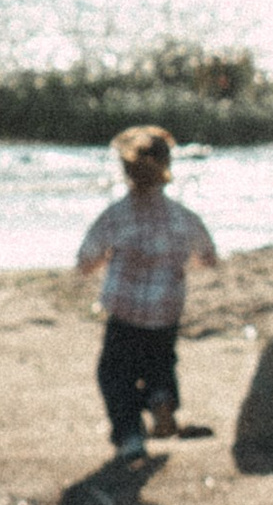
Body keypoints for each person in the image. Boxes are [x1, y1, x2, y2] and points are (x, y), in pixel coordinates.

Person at [75, 124, 217, 458]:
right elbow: (208, 257)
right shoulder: (182, 217)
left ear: (126, 171)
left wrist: (103, 261)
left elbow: (85, 260)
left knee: (114, 373)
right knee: (160, 363)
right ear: (167, 169)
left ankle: (129, 437)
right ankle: (160, 400)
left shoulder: (117, 216)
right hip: (166, 309)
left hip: (124, 311)